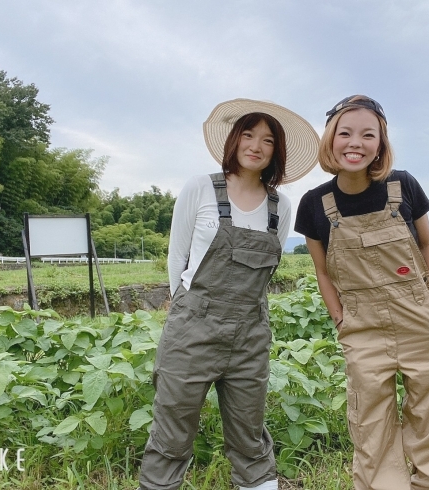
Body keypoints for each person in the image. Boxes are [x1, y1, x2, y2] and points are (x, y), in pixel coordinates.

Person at [137, 99, 319, 490]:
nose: (256, 145)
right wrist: (188, 313)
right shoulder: (200, 187)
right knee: (172, 430)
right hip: (193, 328)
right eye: (249, 135)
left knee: (249, 435)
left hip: (249, 333)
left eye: (267, 140)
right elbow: (177, 259)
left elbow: (268, 270)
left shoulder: (279, 206)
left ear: (276, 151)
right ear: (235, 139)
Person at [294, 95, 429, 489]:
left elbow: (428, 246)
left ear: (380, 144)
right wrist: (339, 318)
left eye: (368, 134)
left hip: (421, 321)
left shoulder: (403, 185)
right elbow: (322, 270)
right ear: (330, 140)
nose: (356, 142)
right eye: (345, 133)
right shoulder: (315, 204)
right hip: (361, 327)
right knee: (370, 430)